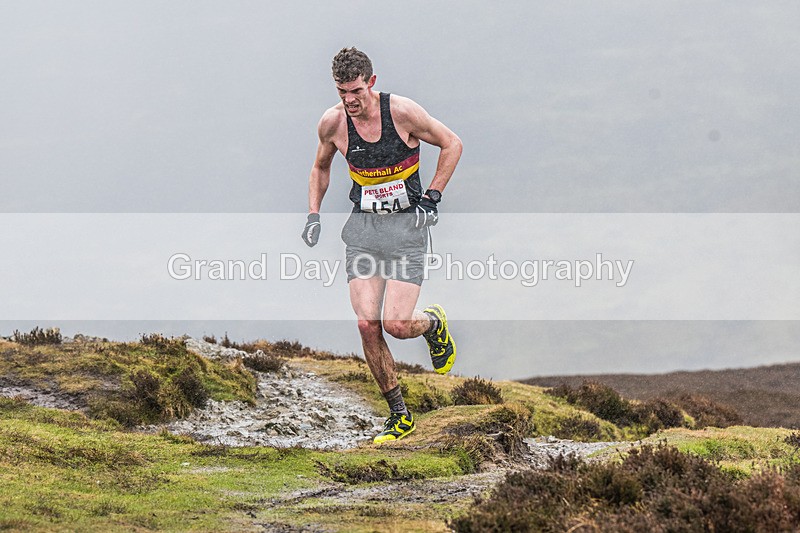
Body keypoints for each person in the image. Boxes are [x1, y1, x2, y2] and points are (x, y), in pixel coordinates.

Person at [302, 47, 462, 444]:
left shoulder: (402, 113)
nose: (349, 100)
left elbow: (452, 144)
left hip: (407, 232)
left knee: (397, 324)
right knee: (367, 323)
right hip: (364, 232)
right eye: (342, 92)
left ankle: (433, 324)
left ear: (371, 82)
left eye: (355, 91)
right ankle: (399, 415)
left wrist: (432, 198)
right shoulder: (334, 123)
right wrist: (313, 214)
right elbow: (320, 167)